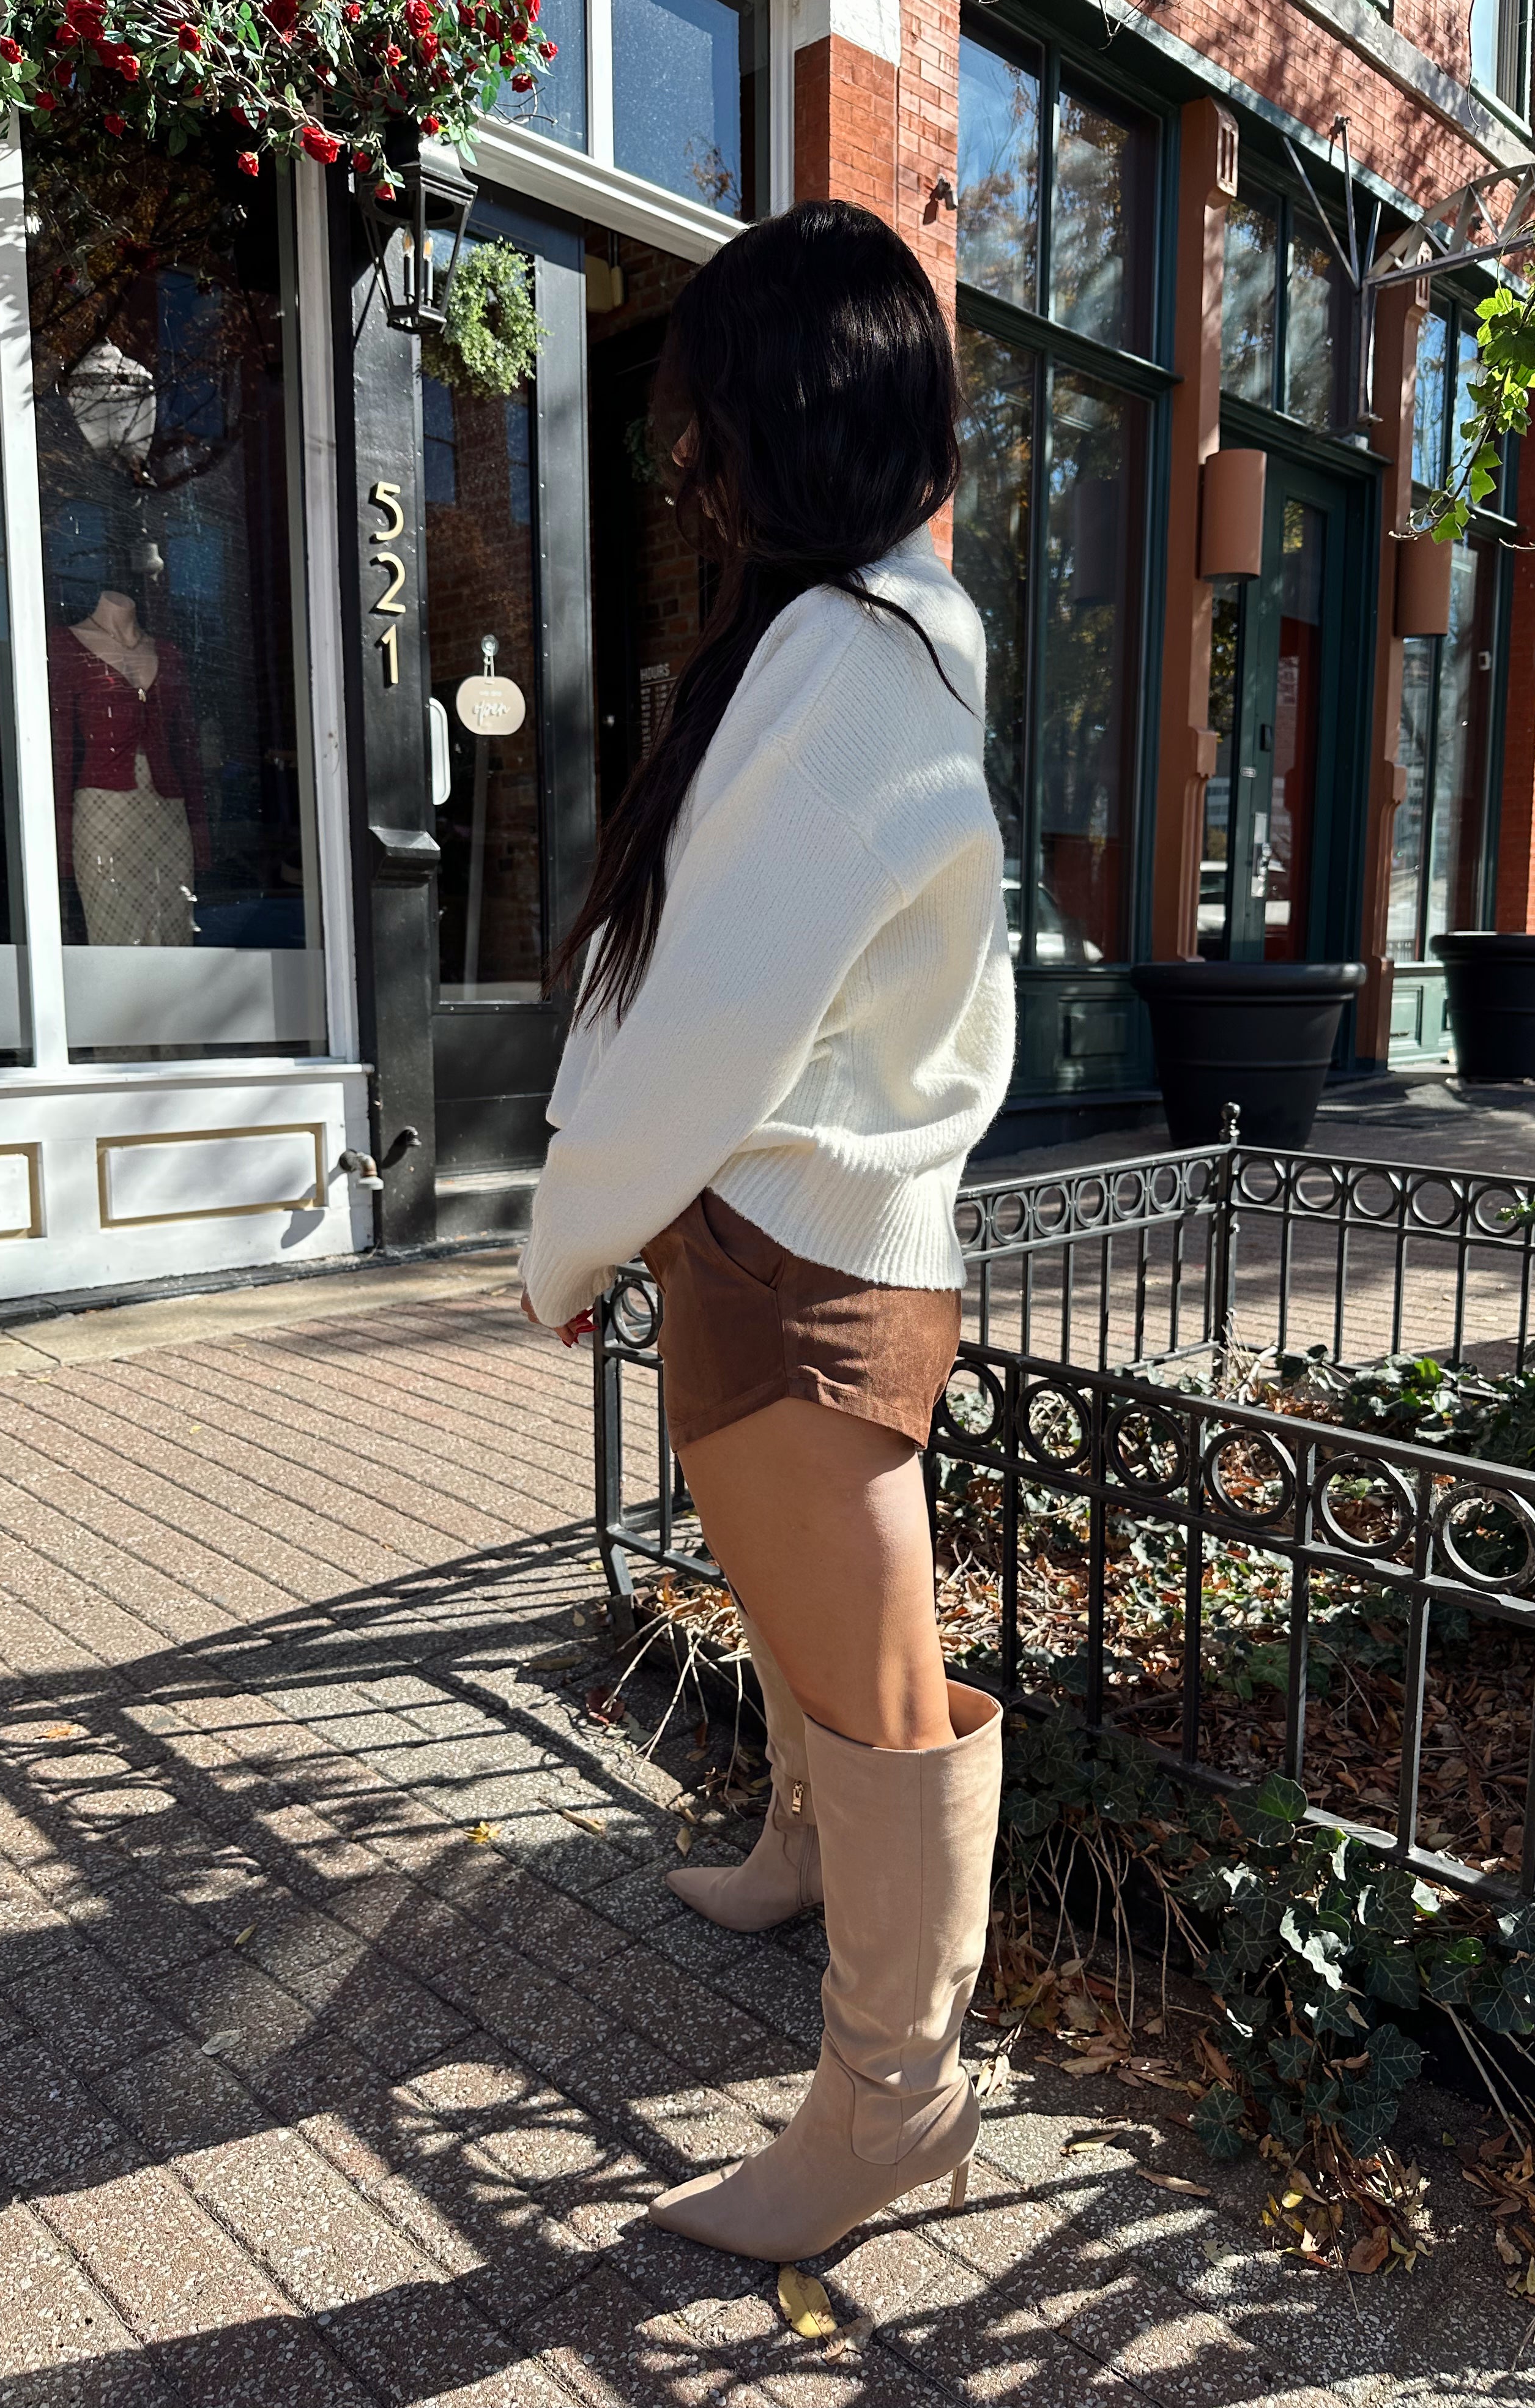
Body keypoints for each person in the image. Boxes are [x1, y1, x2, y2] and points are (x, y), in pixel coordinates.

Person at [518, 198, 1016, 2262]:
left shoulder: (846, 657)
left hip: (795, 1251)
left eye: (704, 425)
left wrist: (569, 1230)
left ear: (788, 423)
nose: (688, 468)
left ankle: (896, 2102)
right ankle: (806, 1854)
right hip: (793, 1238)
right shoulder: (871, 641)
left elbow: (716, 999)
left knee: (880, 1687)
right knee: (824, 1643)